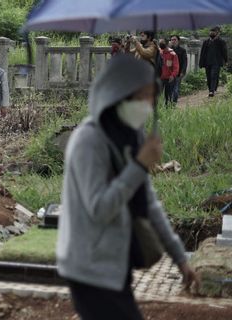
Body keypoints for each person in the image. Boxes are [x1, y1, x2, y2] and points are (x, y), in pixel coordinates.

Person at [57, 55, 200, 320]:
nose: (148, 105)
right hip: (88, 268)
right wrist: (139, 165)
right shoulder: (89, 141)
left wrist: (181, 259)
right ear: (118, 95)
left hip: (115, 262)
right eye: (142, 96)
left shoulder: (132, 135)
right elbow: (100, 208)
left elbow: (147, 201)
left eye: (151, 96)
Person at [200, 26, 228, 97]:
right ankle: (211, 89)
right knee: (208, 76)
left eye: (213, 32)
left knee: (213, 75)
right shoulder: (206, 42)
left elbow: (224, 52)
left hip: (216, 62)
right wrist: (201, 63)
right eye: (211, 32)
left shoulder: (221, 42)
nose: (212, 33)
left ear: (217, 33)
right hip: (207, 62)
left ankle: (211, 91)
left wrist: (226, 60)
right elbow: (202, 53)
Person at [158, 38, 180, 106]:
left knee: (168, 95)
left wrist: (173, 75)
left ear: (167, 43)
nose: (161, 43)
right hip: (160, 78)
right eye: (160, 42)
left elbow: (176, 67)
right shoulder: (159, 53)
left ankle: (168, 108)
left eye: (162, 42)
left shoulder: (172, 54)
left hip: (169, 78)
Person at [169, 35, 188, 103]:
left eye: (175, 39)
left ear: (178, 41)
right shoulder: (168, 50)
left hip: (178, 73)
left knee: (176, 89)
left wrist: (183, 72)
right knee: (170, 88)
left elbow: (185, 62)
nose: (173, 41)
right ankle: (170, 103)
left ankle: (174, 102)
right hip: (169, 73)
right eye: (172, 40)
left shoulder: (182, 50)